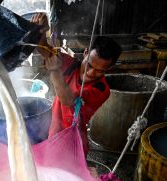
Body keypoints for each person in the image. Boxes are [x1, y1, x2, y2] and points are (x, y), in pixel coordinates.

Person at [31, 13, 122, 154]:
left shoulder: (101, 89)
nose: (91, 73)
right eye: (90, 65)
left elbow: (67, 100)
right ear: (85, 53)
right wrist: (40, 32)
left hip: (74, 143)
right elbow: (44, 49)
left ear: (110, 68)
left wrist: (55, 71)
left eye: (100, 71)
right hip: (54, 134)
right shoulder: (70, 64)